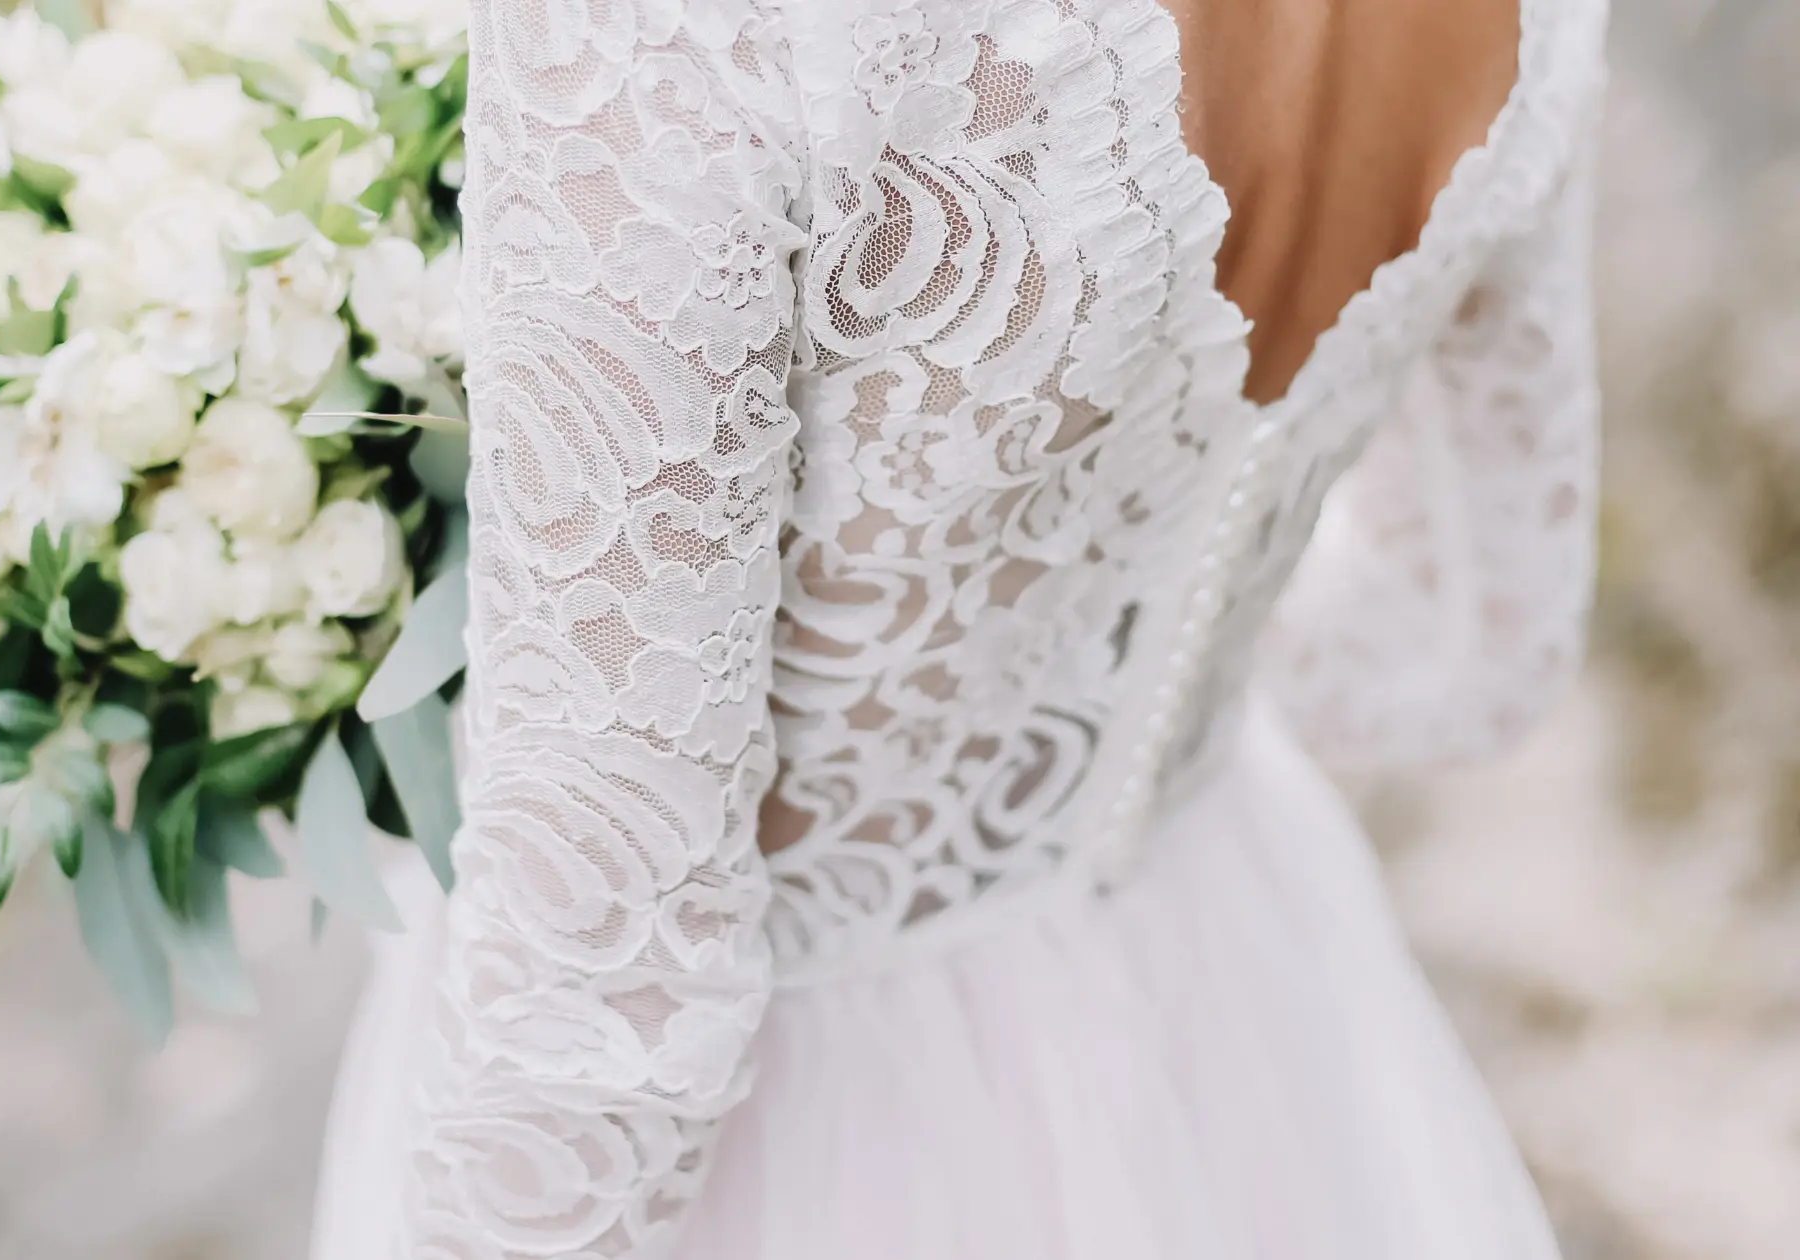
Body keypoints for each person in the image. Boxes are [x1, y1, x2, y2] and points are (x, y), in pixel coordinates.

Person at [314, 0, 1606, 1254]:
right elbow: (1472, 649)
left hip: (804, 1130)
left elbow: (599, 1012)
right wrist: (1125, 650)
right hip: (1227, 992)